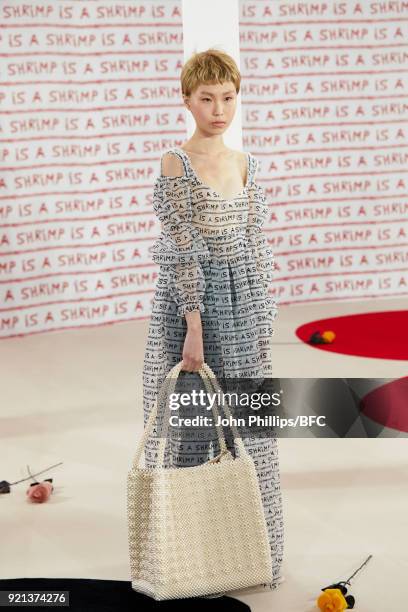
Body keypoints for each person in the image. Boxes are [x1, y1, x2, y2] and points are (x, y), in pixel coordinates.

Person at [142, 48, 284, 593]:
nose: (219, 109)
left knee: (251, 424)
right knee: (193, 424)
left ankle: (253, 551)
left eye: (228, 98)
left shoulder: (249, 163)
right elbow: (182, 247)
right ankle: (193, 558)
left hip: (244, 304)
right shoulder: (176, 162)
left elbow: (256, 245)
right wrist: (193, 326)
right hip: (193, 305)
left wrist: (262, 315)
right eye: (207, 98)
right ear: (187, 100)